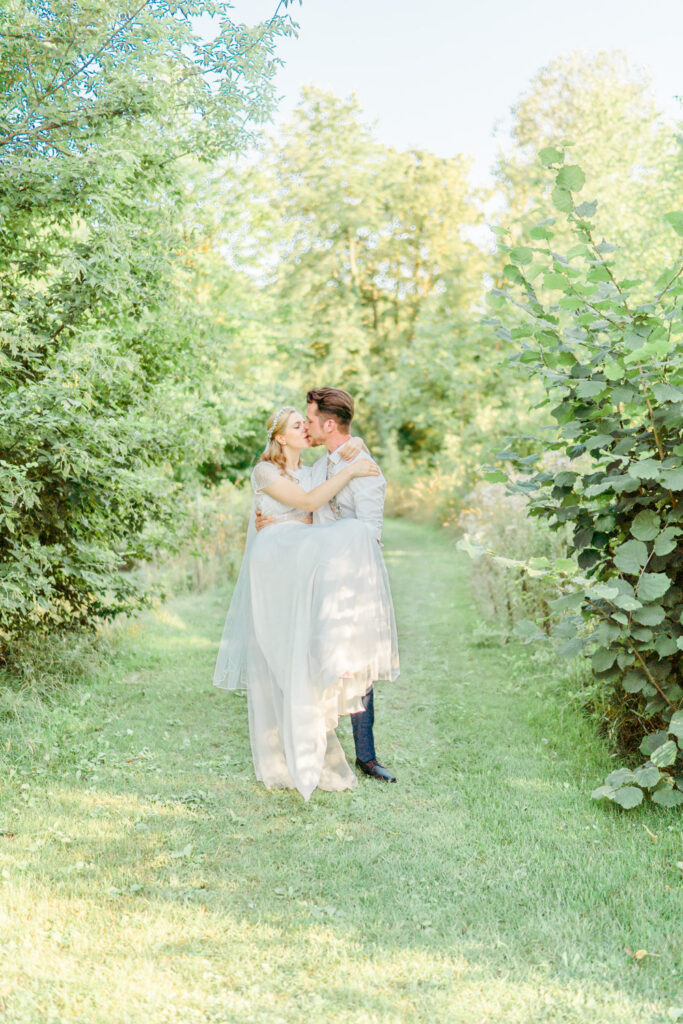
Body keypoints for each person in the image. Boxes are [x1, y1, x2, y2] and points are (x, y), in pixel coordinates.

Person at [213, 405, 399, 801]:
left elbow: (319, 489)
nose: (306, 429)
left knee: (330, 647)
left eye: (307, 423)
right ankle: (290, 747)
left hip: (304, 563)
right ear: (281, 436)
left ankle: (353, 750)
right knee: (286, 653)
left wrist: (355, 447)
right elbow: (312, 504)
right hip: (278, 566)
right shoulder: (265, 471)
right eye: (299, 425)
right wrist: (349, 471)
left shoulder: (314, 469)